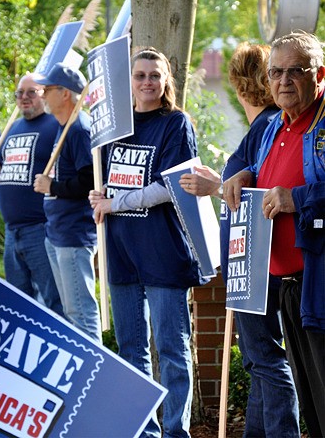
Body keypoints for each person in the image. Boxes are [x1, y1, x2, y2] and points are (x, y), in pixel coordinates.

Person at [181, 42, 300, 437]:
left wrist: (215, 184)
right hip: (249, 260)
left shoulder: (269, 126)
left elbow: (261, 192)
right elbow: (251, 178)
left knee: (266, 359)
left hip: (260, 261)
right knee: (256, 360)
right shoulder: (265, 130)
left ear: (237, 84)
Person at [89, 47, 203, 436]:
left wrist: (115, 201)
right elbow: (106, 184)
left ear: (166, 80)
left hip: (162, 251)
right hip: (121, 252)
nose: (147, 82)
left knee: (171, 350)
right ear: (129, 81)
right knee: (130, 349)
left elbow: (169, 188)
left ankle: (175, 431)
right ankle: (145, 431)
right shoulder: (114, 129)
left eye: (155, 75)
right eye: (140, 75)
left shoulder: (175, 124)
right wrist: (98, 198)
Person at [224, 31, 325, 438]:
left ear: (319, 74)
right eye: (276, 72)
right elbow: (248, 166)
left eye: (294, 71)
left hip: (317, 280)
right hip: (284, 284)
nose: (283, 81)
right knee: (312, 400)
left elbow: (297, 192)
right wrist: (246, 173)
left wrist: (297, 198)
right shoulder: (272, 127)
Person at [0, 73, 63, 316]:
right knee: (18, 302)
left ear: (45, 94)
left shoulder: (56, 126)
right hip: (13, 231)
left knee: (52, 298)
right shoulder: (12, 128)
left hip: (41, 228)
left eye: (31, 92)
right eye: (20, 93)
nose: (24, 98)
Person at [33, 63, 100, 342]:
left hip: (74, 234)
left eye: (46, 90)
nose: (42, 95)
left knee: (81, 314)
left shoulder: (79, 129)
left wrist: (53, 186)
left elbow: (91, 180)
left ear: (65, 94)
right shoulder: (63, 128)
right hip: (58, 232)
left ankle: (95, 377)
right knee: (70, 315)